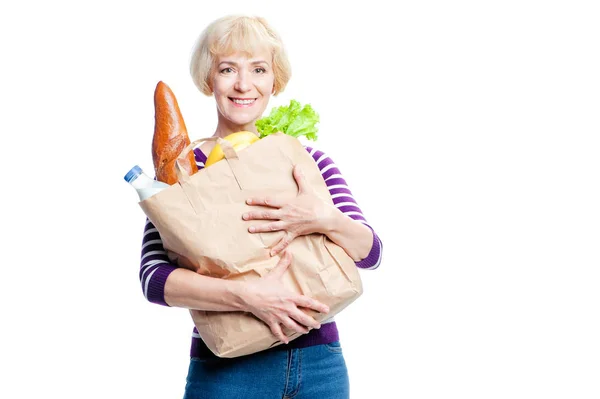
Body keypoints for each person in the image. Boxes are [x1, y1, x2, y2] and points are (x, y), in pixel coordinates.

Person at [139, 14, 383, 399]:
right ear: (209, 79)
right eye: (227, 69)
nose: (243, 84)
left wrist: (322, 217)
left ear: (274, 81)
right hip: (228, 371)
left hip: (320, 364)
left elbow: (371, 253)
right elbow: (153, 279)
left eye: (258, 69)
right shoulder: (183, 173)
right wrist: (248, 296)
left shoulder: (306, 159)